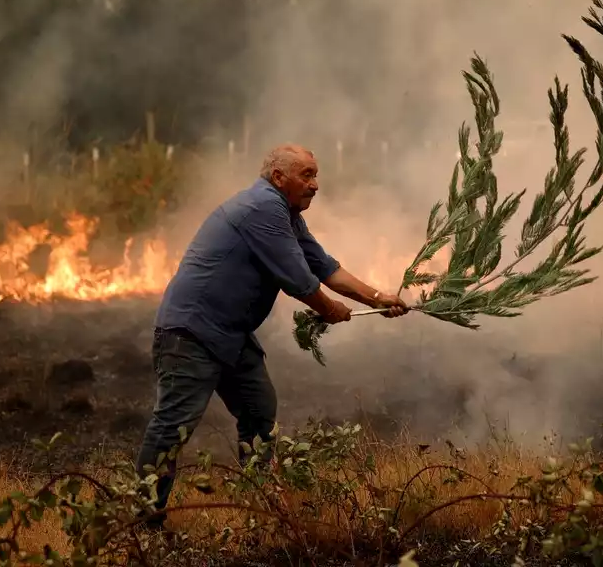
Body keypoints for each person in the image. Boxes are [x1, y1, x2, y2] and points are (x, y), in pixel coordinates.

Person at [133, 143, 410, 527]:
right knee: (172, 427)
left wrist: (379, 298)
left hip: (230, 334)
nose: (316, 184)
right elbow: (299, 279)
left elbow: (325, 267)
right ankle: (140, 524)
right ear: (279, 177)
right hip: (192, 332)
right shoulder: (263, 207)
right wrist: (329, 310)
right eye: (307, 175)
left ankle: (256, 511)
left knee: (259, 411)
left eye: (316, 174)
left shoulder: (288, 215)